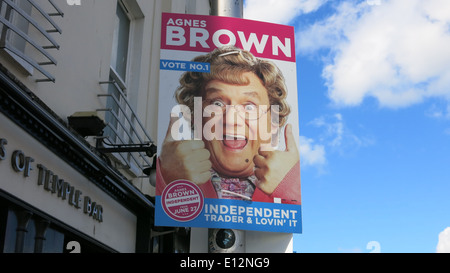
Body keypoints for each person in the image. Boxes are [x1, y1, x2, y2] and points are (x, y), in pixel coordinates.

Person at [156, 46, 300, 205]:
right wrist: (168, 180)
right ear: (195, 117)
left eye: (249, 107)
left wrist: (288, 186)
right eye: (217, 103)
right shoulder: (173, 175)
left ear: (272, 122)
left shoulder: (290, 188)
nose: (231, 119)